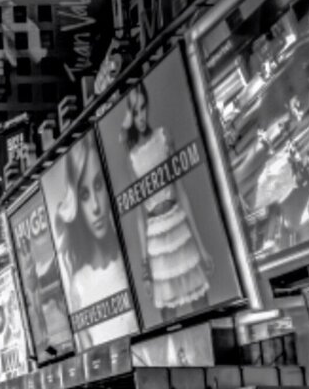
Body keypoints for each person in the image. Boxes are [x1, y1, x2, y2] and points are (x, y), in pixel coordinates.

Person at [121, 81, 212, 322]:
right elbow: (139, 217)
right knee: (169, 319)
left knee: (202, 307)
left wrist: (201, 247)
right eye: (135, 112)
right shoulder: (132, 158)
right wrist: (145, 269)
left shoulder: (163, 136)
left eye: (143, 108)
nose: (141, 116)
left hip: (178, 225)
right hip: (155, 238)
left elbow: (181, 190)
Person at [52, 137, 135, 346]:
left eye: (98, 185)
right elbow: (87, 352)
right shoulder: (78, 286)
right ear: (76, 203)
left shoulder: (132, 257)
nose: (96, 206)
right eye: (84, 195)